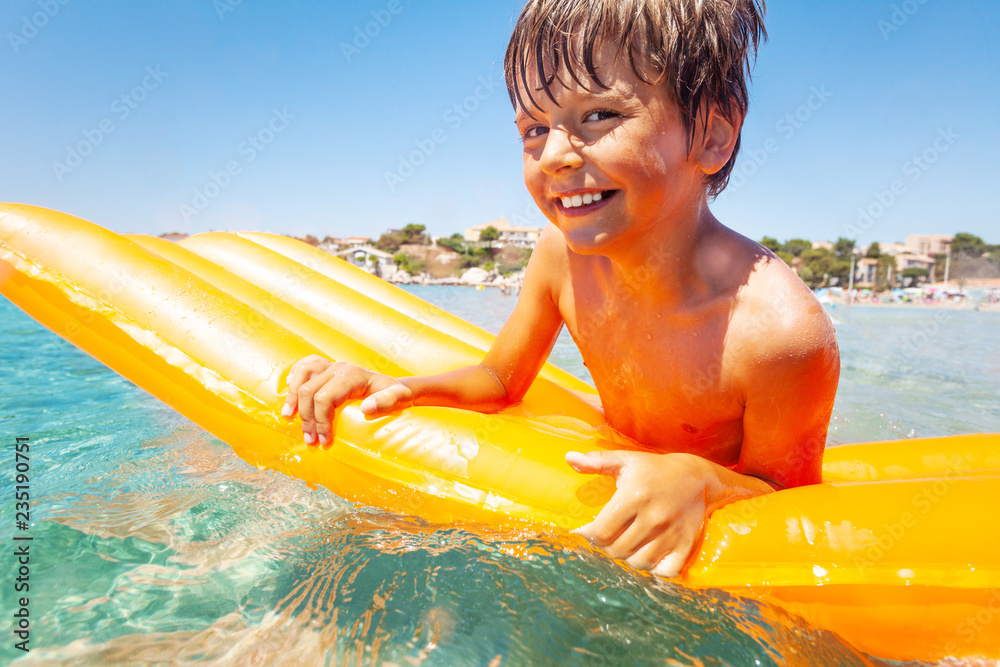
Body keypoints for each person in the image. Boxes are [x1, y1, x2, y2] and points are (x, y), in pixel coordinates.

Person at [281, 0, 839, 577]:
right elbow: (500, 379)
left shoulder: (777, 335)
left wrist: (702, 480)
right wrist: (399, 387)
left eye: (598, 115)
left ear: (713, 137)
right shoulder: (561, 255)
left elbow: (789, 502)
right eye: (534, 128)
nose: (553, 156)